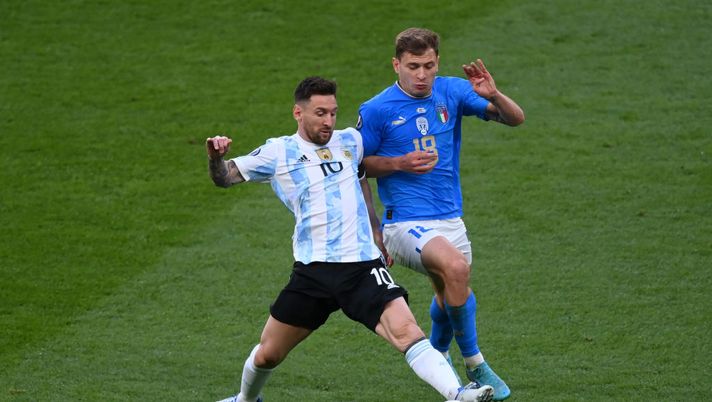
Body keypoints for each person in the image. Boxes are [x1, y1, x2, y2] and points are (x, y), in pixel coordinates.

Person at [207, 76, 494, 402]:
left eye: (333, 112)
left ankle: (457, 394)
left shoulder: (349, 142)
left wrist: (378, 223)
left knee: (407, 332)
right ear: (298, 113)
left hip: (362, 266)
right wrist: (216, 157)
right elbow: (225, 177)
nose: (328, 121)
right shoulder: (279, 152)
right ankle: (245, 399)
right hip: (313, 271)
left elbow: (363, 174)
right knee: (267, 355)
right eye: (320, 113)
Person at [357, 28, 525, 401]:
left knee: (451, 293)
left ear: (437, 64)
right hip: (403, 224)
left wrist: (493, 94)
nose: (421, 75)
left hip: (451, 218)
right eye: (413, 66)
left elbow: (515, 119)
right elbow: (355, 168)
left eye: (428, 66)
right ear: (396, 64)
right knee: (456, 269)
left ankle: (437, 358)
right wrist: (376, 228)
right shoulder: (376, 110)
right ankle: (475, 364)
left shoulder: (451, 91)